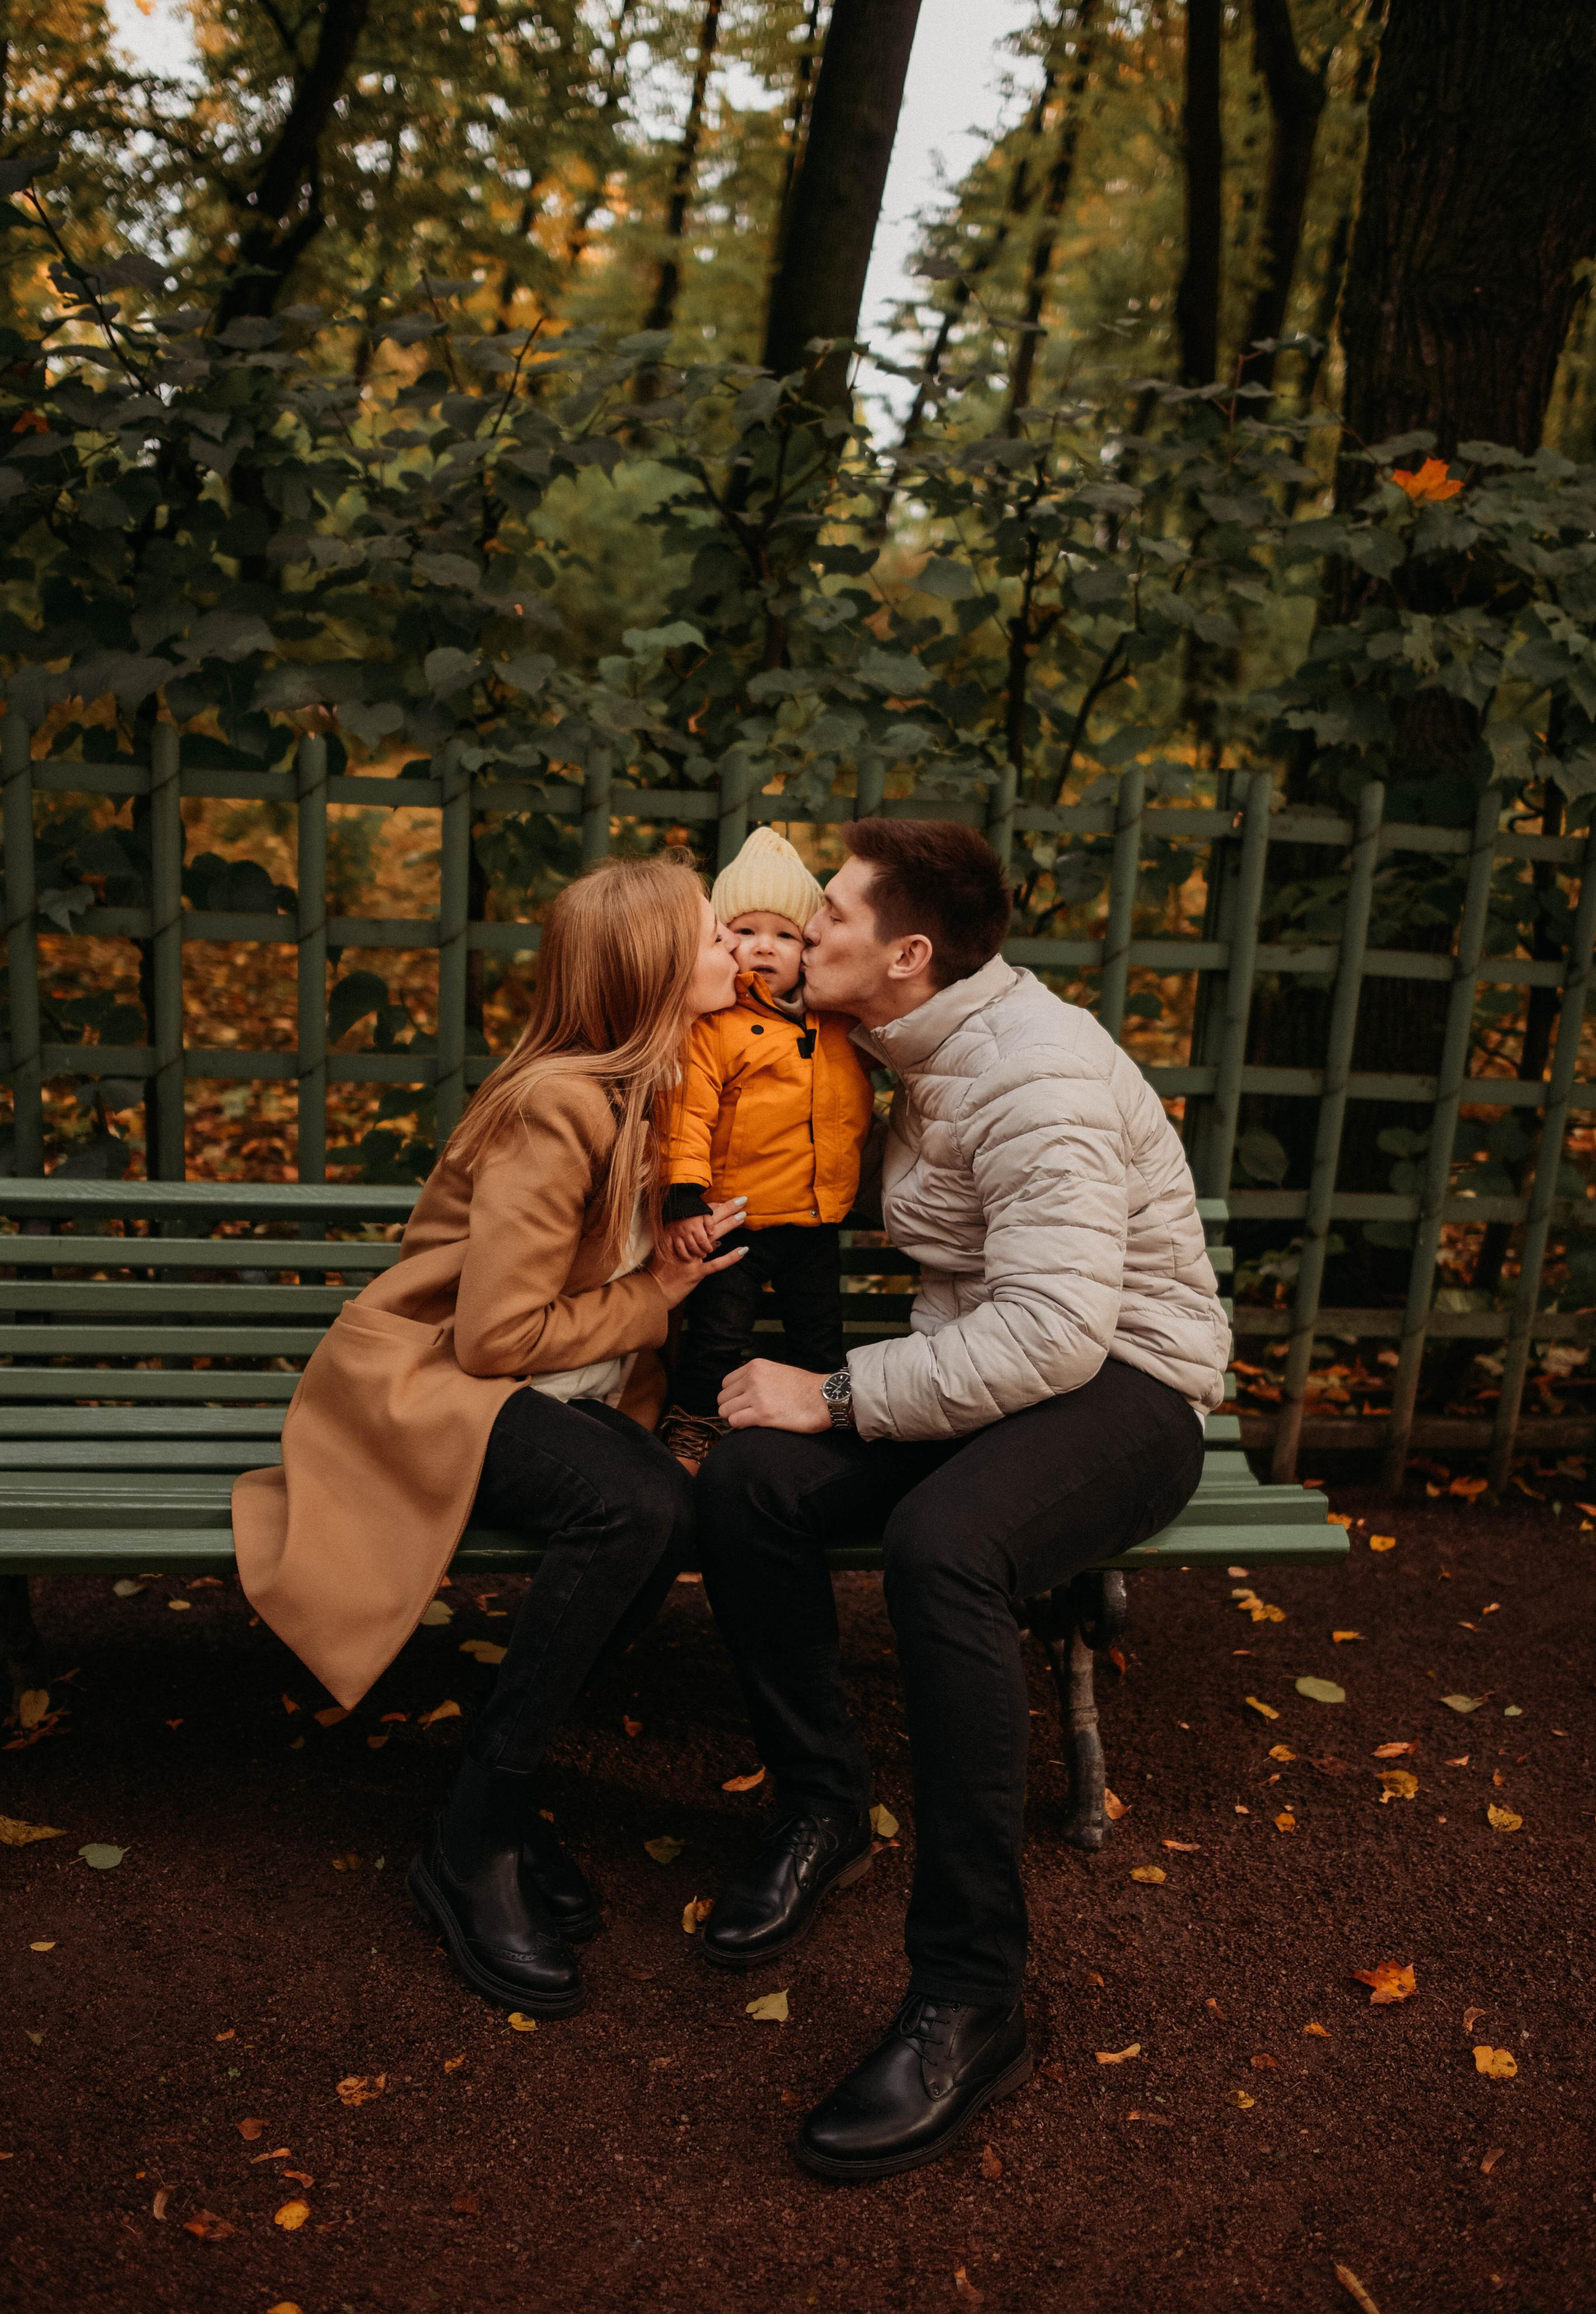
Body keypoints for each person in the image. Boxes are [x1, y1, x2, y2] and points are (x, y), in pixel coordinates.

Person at [693, 816, 1230, 2183]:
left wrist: (827, 1393)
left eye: (825, 920)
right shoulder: (897, 1037)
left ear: (906, 954)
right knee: (747, 1475)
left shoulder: (1034, 1075)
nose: (797, 937)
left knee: (945, 1545)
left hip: (1125, 1386)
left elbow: (1054, 1334)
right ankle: (822, 1808)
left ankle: (969, 1997)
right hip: (984, 1370)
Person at [233, 855, 748, 2021]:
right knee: (634, 1507)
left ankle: (499, 1813)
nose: (738, 953)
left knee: (668, 1501)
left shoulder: (648, 1091)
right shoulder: (560, 1103)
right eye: (716, 937)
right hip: (427, 1383)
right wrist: (660, 1295)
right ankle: (476, 1834)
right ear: (656, 968)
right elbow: (496, 1332)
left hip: (544, 1387)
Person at [658, 826, 876, 1466]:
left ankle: (822, 1437)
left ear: (807, 945)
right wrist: (683, 1194)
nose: (763, 947)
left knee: (820, 1335)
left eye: (784, 934)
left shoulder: (837, 1022)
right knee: (717, 1336)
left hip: (816, 1218)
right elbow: (687, 1113)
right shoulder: (717, 1027)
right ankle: (693, 1427)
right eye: (745, 931)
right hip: (735, 1219)